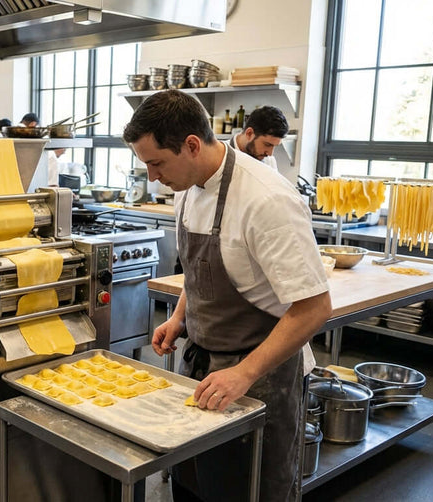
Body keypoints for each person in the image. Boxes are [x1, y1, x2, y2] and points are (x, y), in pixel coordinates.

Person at [123, 90, 332, 501]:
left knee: (249, 488)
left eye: (156, 163)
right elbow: (198, 272)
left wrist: (245, 373)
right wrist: (180, 317)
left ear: (192, 145)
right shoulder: (187, 186)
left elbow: (313, 308)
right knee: (195, 482)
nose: (151, 176)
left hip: (261, 375)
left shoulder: (266, 200)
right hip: (203, 366)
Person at [230, 105, 289, 171]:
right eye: (267, 144)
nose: (270, 153)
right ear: (249, 133)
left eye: (274, 146)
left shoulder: (269, 161)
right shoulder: (221, 155)